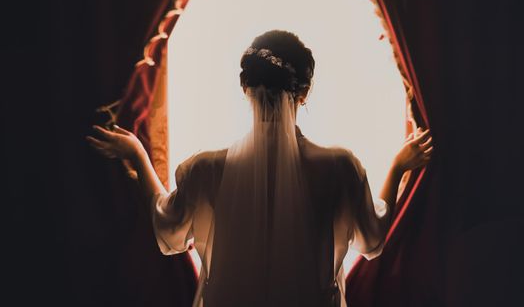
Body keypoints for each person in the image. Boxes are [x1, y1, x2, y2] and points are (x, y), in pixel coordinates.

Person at [87, 30, 433, 307]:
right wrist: (398, 167)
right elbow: (372, 240)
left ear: (244, 89)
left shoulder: (204, 169)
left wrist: (136, 154)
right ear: (304, 93)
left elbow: (168, 232)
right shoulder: (340, 168)